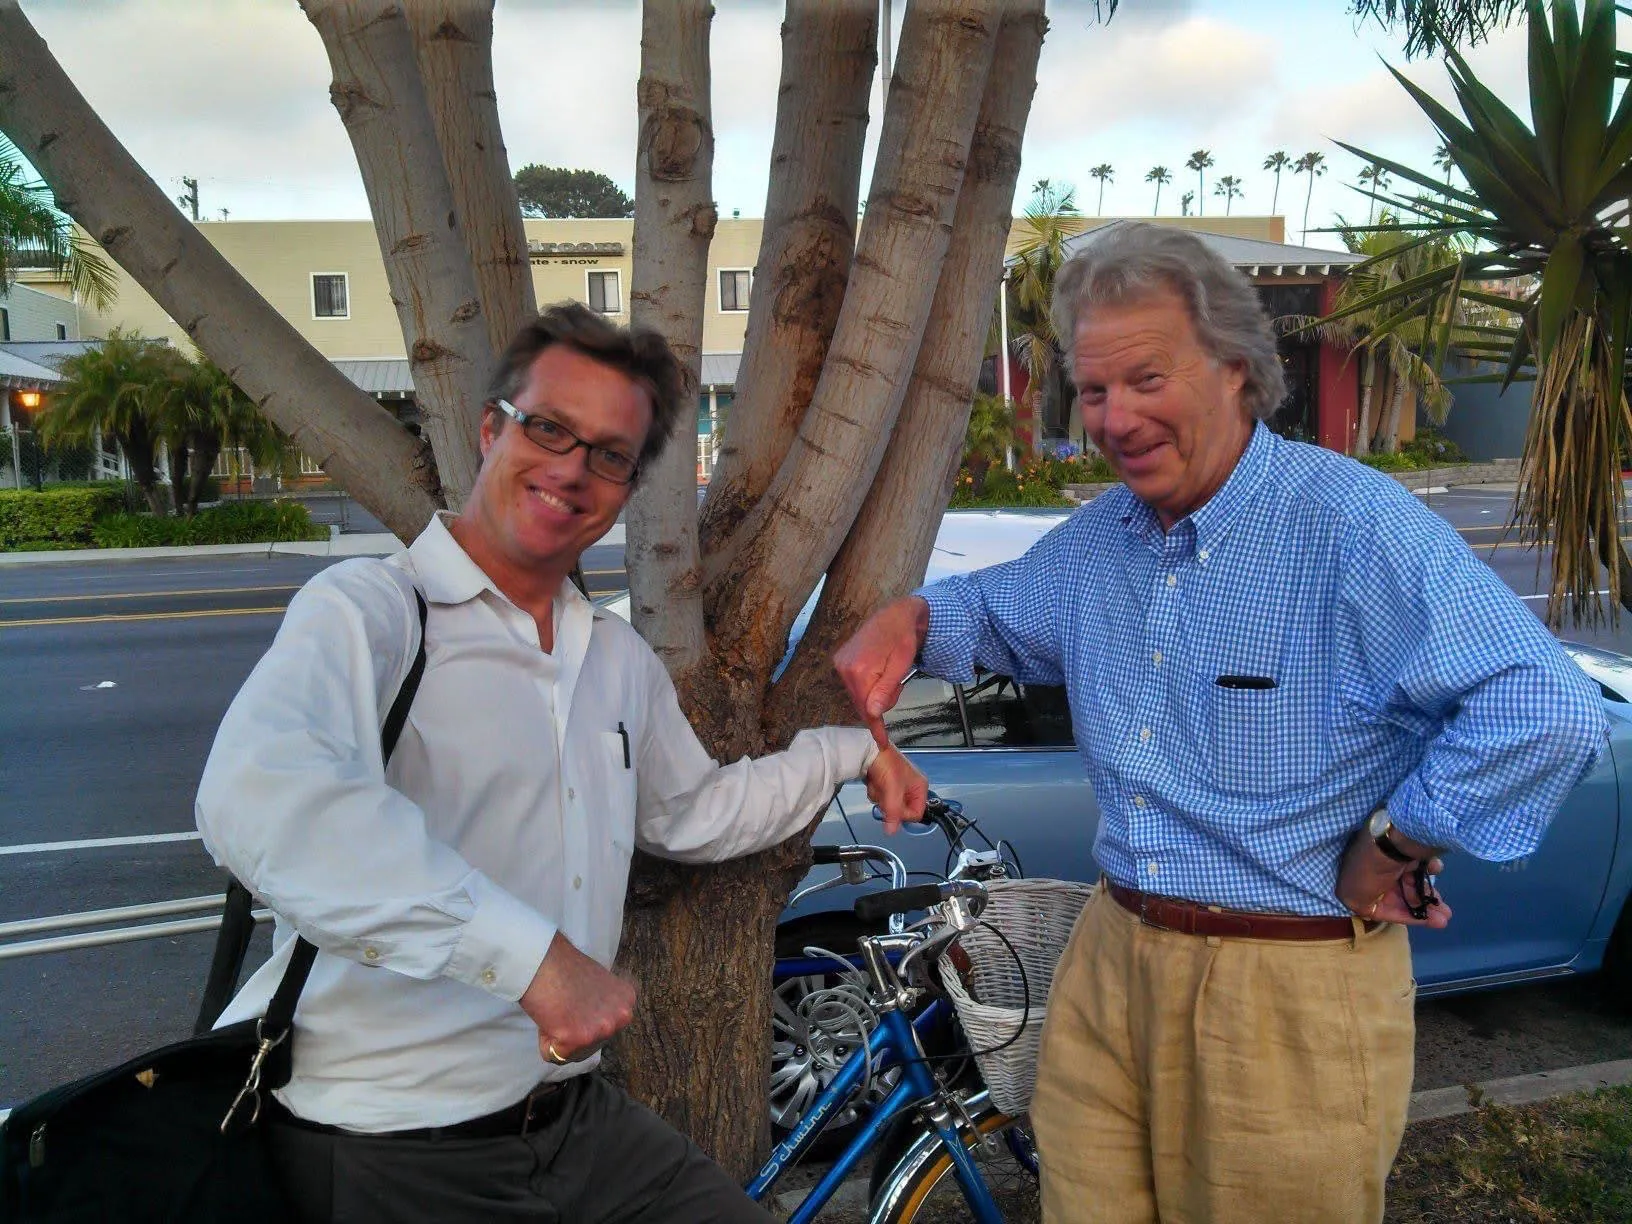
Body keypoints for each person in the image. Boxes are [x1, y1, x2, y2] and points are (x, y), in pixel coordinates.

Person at [832, 223, 1606, 1224]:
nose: (1116, 417)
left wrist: (1393, 840)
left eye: (1147, 379)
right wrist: (915, 616)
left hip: (1285, 990)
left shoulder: (1353, 526)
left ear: (1240, 368)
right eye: (1096, 389)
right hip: (1110, 960)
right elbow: (994, 616)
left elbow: (1542, 708)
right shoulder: (1097, 541)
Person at [195, 302, 928, 1224]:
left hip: (577, 1123)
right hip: (391, 1145)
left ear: (626, 487)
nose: (572, 468)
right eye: (549, 429)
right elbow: (262, 802)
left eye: (609, 455)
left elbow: (692, 812)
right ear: (492, 430)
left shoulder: (612, 659)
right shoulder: (371, 612)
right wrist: (535, 963)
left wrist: (852, 753)